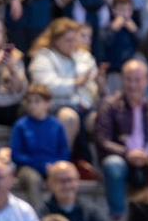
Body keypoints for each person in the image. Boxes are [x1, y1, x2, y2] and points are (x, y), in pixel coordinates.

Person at [97, 59, 148, 221]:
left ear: (147, 81)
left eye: (137, 80)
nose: (133, 85)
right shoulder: (109, 105)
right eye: (128, 80)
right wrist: (128, 154)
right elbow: (103, 140)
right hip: (123, 158)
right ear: (122, 80)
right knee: (113, 165)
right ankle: (118, 216)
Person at [28, 19, 98, 153]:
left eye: (74, 39)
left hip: (82, 105)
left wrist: (99, 84)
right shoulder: (43, 57)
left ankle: (93, 164)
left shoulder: (83, 56)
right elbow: (46, 87)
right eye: (68, 40)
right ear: (55, 40)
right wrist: (76, 83)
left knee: (99, 120)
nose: (72, 44)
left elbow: (91, 87)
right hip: (55, 106)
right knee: (69, 117)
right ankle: (63, 160)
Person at [8, 84, 69, 208]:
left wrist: (55, 166)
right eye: (29, 102)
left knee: (65, 176)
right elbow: (16, 154)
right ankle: (38, 216)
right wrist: (41, 164)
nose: (32, 105)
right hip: (28, 167)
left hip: (52, 167)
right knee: (33, 179)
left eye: (37, 101)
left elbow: (64, 152)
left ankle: (63, 212)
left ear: (48, 103)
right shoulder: (21, 125)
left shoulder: (56, 125)